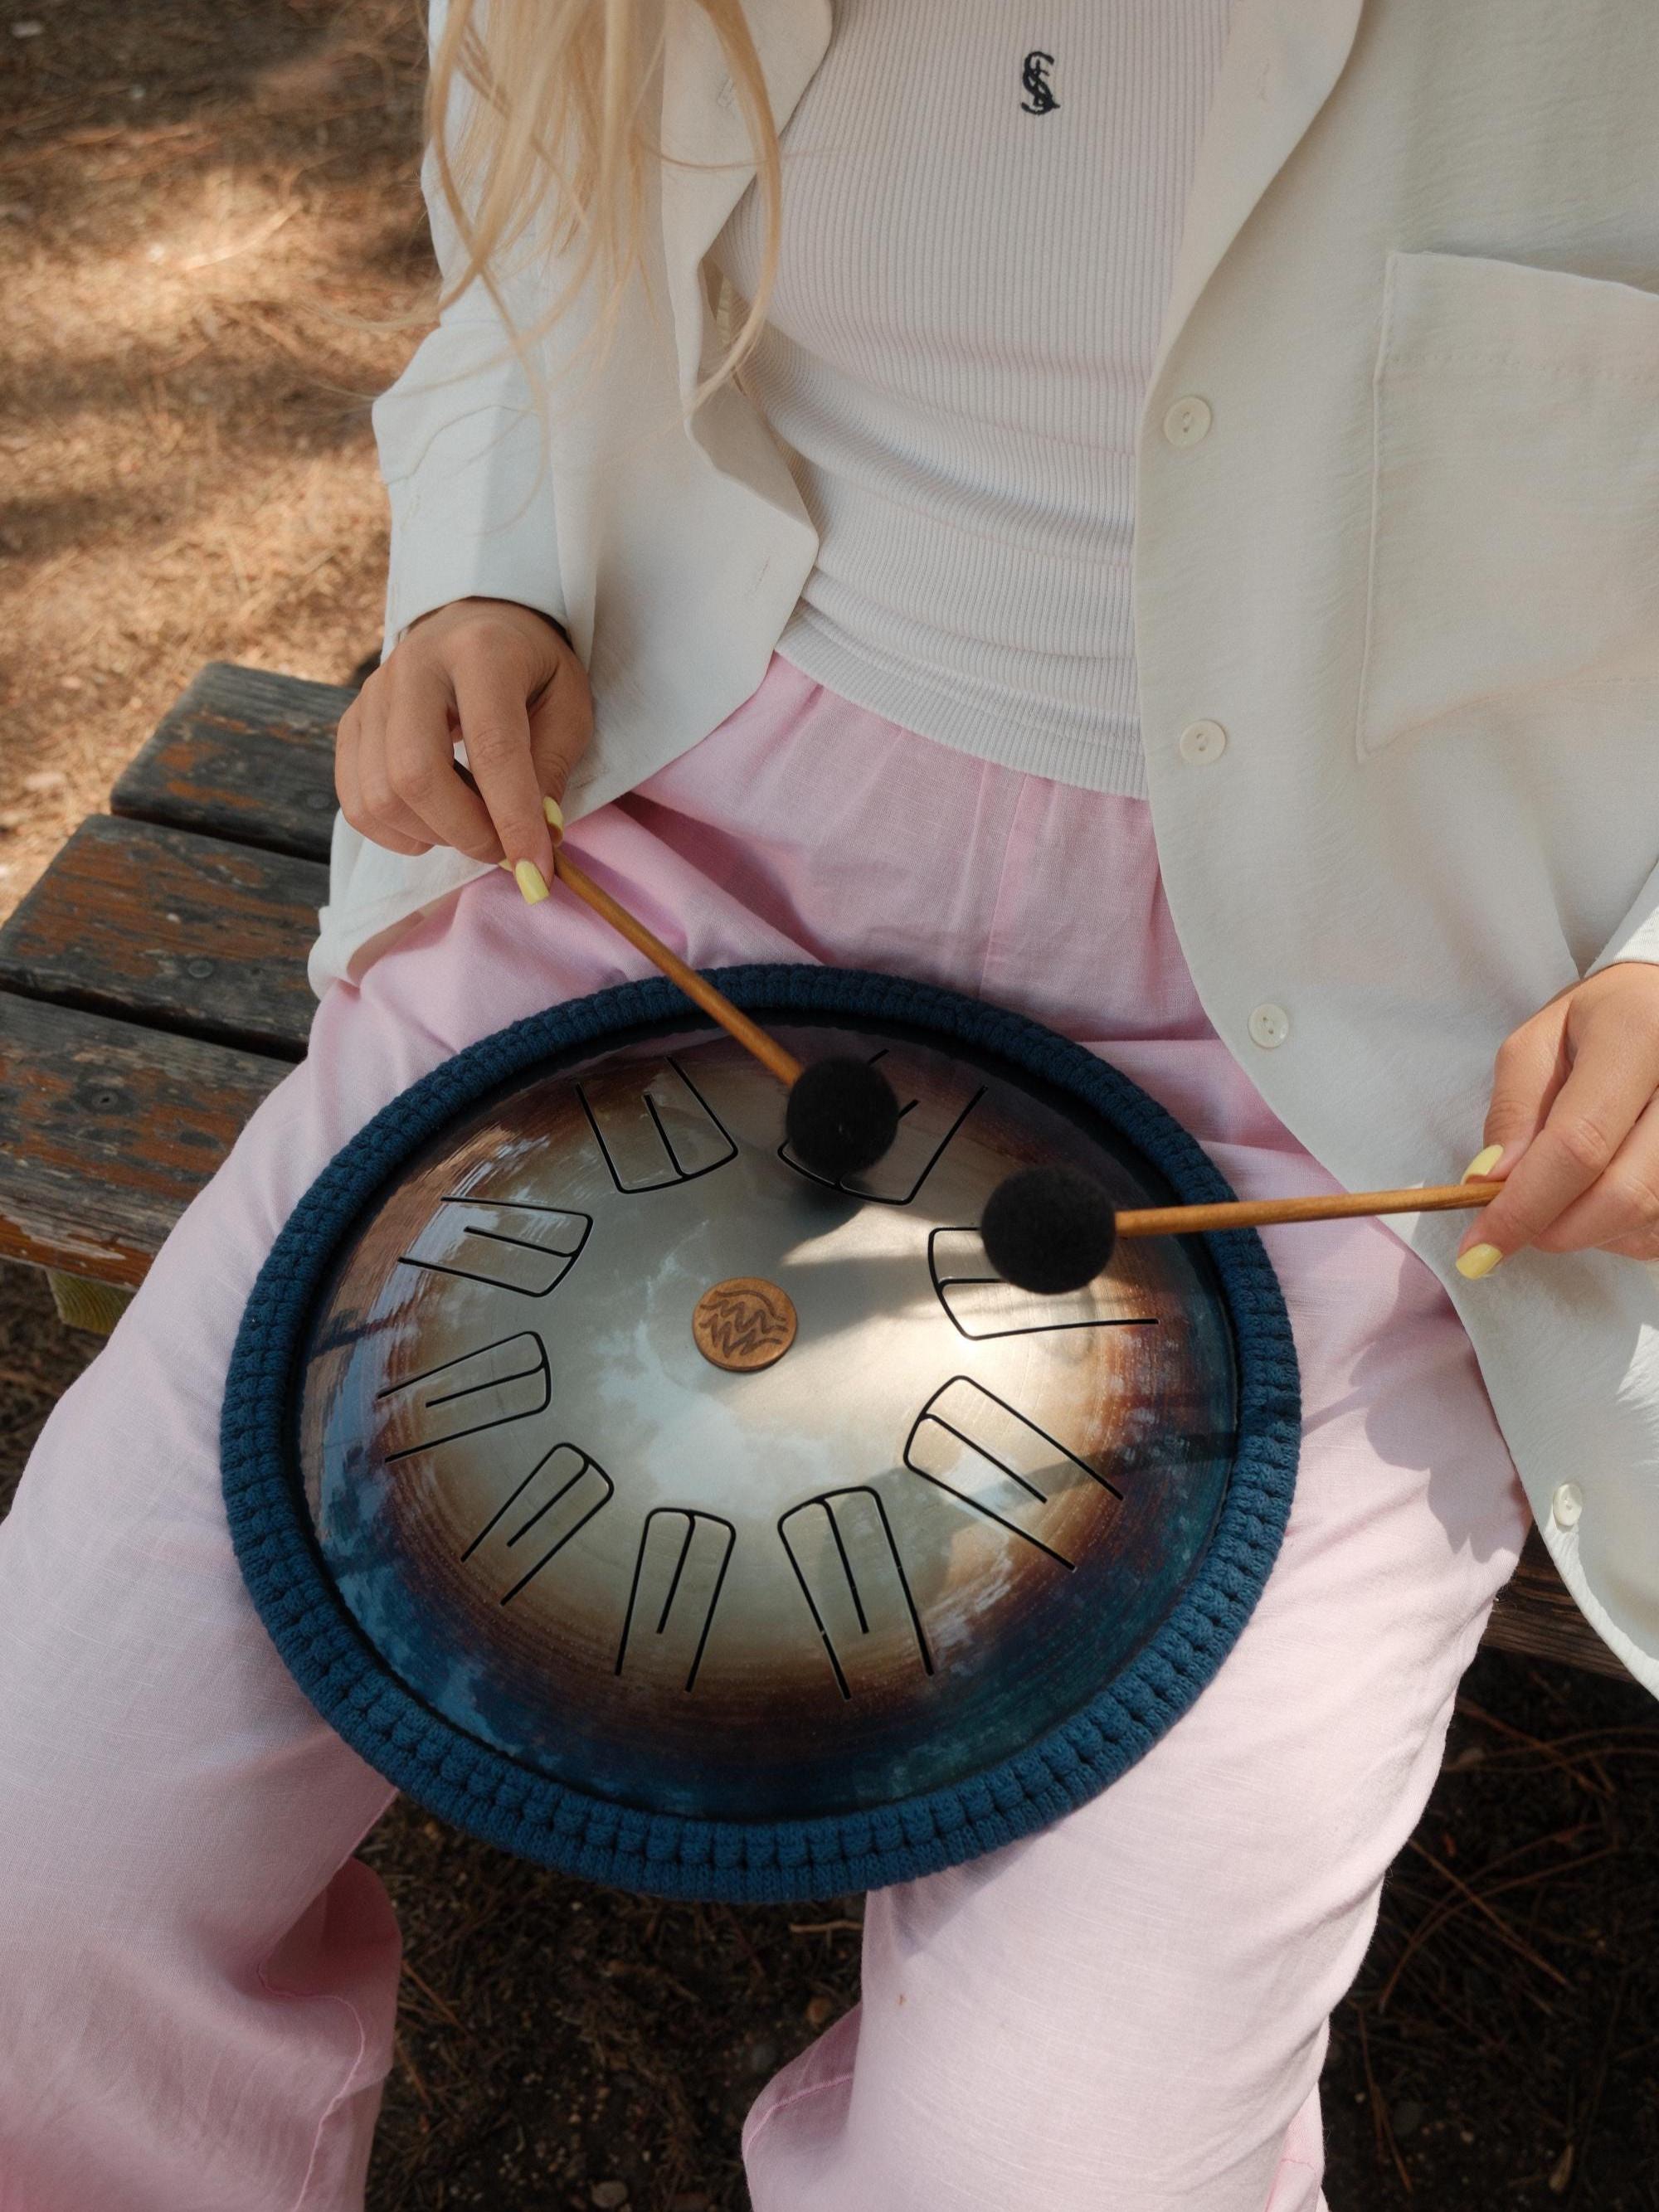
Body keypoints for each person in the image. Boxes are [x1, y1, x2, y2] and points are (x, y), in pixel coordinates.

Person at [4, 2, 1658, 2206]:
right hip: (653, 861)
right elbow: (534, 183)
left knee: (1040, 2164)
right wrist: (491, 563)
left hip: (1354, 1039)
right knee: (45, 1865)